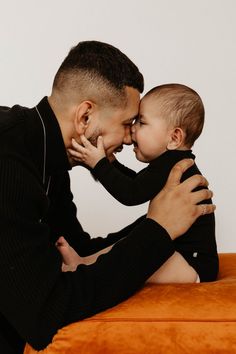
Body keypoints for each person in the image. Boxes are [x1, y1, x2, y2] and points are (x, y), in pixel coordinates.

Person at [0, 41, 215, 354]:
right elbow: (47, 313)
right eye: (128, 124)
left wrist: (163, 224)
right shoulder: (8, 159)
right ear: (86, 116)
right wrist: (159, 229)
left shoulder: (48, 155)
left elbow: (78, 251)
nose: (130, 138)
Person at [66, 83, 219, 284]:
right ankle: (88, 257)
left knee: (144, 257)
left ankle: (85, 263)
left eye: (142, 122)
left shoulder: (175, 165)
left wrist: (99, 164)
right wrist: (108, 161)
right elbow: (135, 183)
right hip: (179, 253)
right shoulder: (170, 162)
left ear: (174, 137)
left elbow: (131, 193)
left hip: (191, 263)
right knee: (138, 233)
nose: (132, 129)